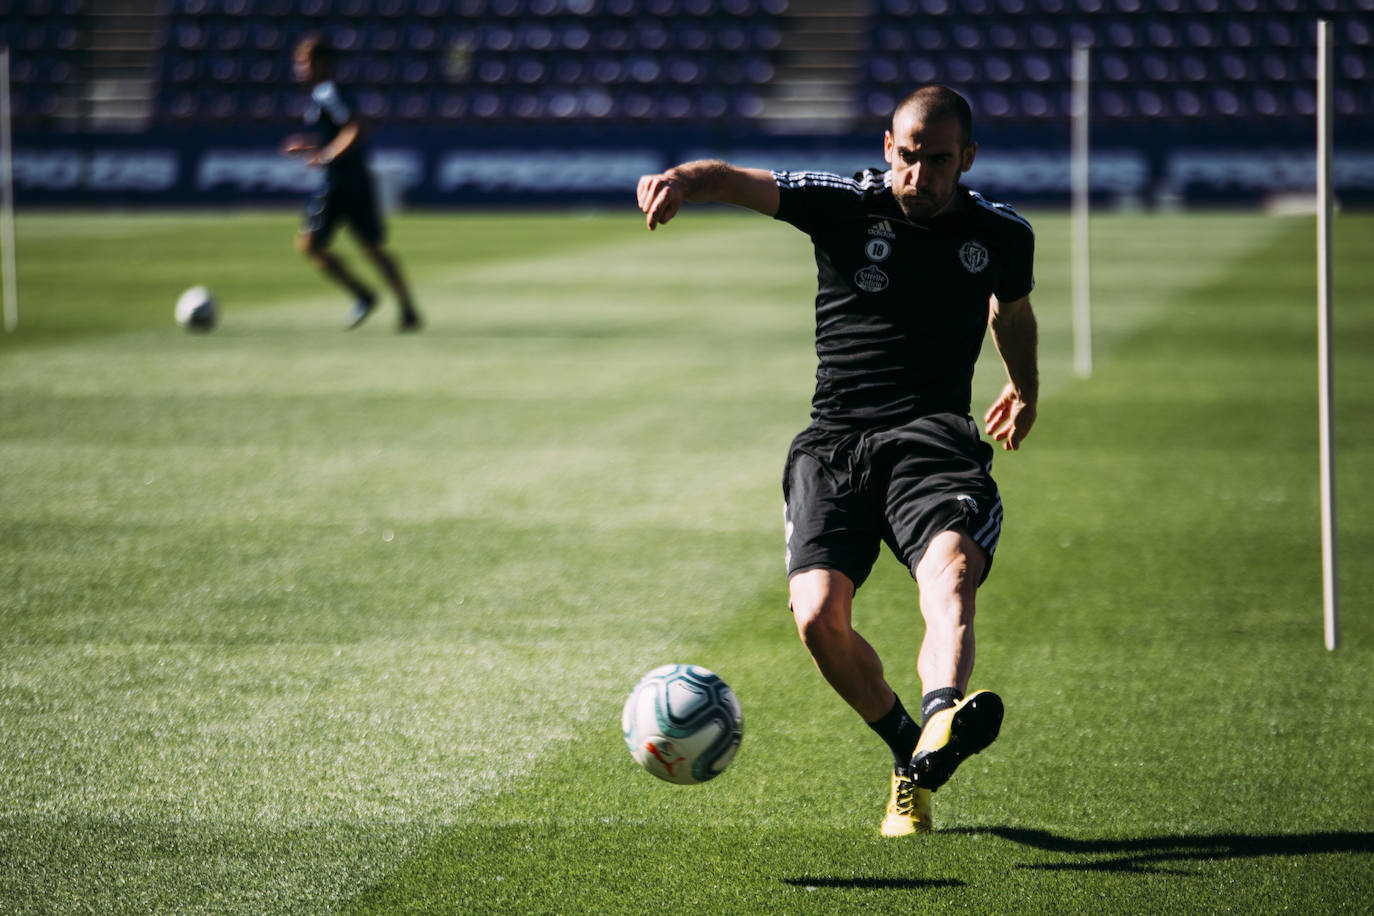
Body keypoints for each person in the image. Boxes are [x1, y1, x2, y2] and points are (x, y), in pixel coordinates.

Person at [636, 85, 1038, 836]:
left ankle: (942, 712)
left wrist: (1025, 386)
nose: (919, 174)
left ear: (968, 158)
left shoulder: (1002, 234)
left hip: (932, 443)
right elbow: (735, 181)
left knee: (951, 573)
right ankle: (912, 753)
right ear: (888, 148)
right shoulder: (844, 203)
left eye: (938, 160)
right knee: (819, 617)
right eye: (908, 156)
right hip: (834, 444)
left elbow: (1010, 312)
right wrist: (681, 180)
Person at [281, 34, 421, 332]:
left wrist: (327, 155)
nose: (300, 70)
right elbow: (338, 133)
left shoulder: (327, 93)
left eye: (305, 63)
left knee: (310, 244)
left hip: (340, 181)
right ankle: (407, 309)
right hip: (355, 179)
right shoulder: (325, 95)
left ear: (321, 64)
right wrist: (310, 147)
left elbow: (355, 127)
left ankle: (363, 295)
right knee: (372, 247)